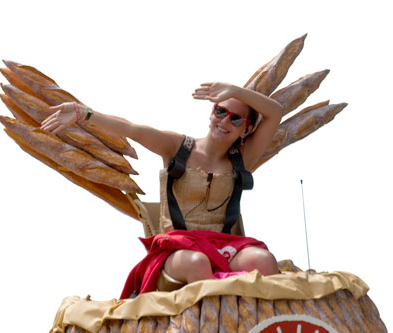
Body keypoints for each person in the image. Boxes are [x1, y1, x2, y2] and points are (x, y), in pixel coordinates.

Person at [40, 82, 284, 297]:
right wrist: (86, 114)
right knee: (198, 263)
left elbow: (275, 113)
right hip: (176, 250)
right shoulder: (178, 147)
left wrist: (235, 91)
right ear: (211, 113)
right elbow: (132, 129)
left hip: (221, 245)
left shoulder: (243, 158)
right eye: (220, 111)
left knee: (263, 259)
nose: (224, 121)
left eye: (236, 118)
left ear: (247, 130)